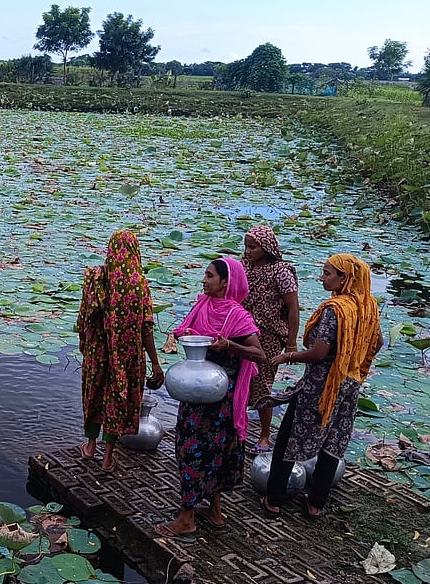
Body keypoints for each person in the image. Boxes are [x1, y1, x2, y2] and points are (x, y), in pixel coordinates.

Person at [262, 254, 383, 519]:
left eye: (328, 273)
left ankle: (274, 500)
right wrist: (355, 363)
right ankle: (316, 503)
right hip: (349, 385)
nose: (322, 277)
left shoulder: (335, 310)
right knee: (333, 441)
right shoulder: (368, 306)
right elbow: (378, 342)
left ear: (345, 278)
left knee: (289, 437)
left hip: (321, 385)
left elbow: (318, 352)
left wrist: (289, 356)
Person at [156, 257, 265, 538]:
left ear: (226, 283)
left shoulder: (238, 315)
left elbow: (259, 354)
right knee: (210, 451)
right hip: (196, 390)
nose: (204, 280)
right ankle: (214, 511)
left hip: (220, 397)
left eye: (209, 276)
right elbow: (186, 332)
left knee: (195, 450)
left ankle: (187, 518)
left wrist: (229, 344)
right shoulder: (203, 305)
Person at [76, 230, 166, 472]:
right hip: (126, 356)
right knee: (117, 399)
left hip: (97, 353)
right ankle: (107, 458)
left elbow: (84, 317)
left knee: (95, 395)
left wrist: (85, 342)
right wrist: (155, 363)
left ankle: (90, 446)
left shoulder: (95, 278)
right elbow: (146, 327)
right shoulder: (139, 283)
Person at [242, 225, 300, 454]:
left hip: (268, 335)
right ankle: (238, 427)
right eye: (246, 246)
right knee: (239, 379)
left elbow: (293, 308)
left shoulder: (281, 271)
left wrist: (291, 343)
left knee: (261, 383)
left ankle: (264, 436)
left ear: (266, 248)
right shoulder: (245, 266)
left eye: (253, 247)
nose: (248, 251)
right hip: (242, 331)